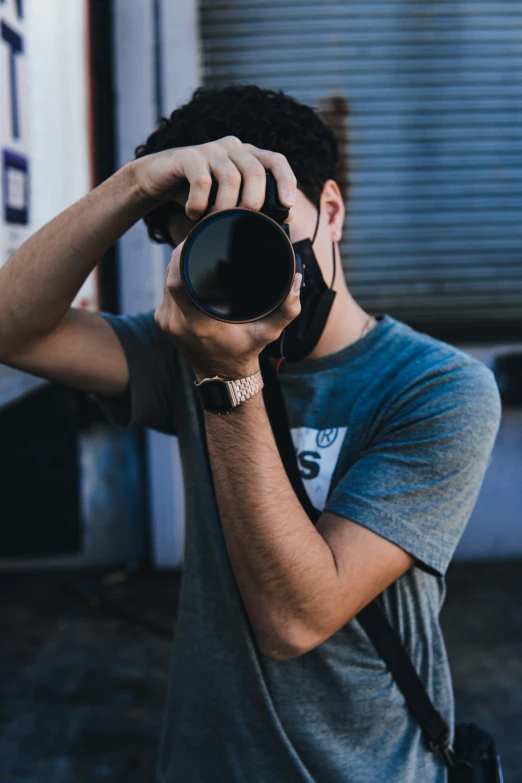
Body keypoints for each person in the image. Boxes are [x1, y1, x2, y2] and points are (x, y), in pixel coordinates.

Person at [0, 85, 501, 783]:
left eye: (266, 226)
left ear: (330, 209)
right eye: (215, 244)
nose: (248, 262)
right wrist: (130, 185)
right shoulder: (184, 352)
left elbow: (295, 619)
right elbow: (12, 327)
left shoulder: (437, 388)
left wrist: (230, 376)